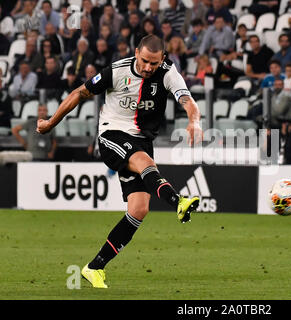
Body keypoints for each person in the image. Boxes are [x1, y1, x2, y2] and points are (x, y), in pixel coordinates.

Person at [36, 35, 202, 289]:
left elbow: (187, 101)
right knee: (145, 162)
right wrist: (50, 123)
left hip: (141, 141)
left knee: (139, 209)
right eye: (145, 61)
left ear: (163, 59)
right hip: (112, 135)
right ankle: (177, 201)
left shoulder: (168, 73)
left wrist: (194, 121)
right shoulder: (116, 71)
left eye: (154, 64)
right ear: (136, 53)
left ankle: (94, 268)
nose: (148, 67)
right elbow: (80, 93)